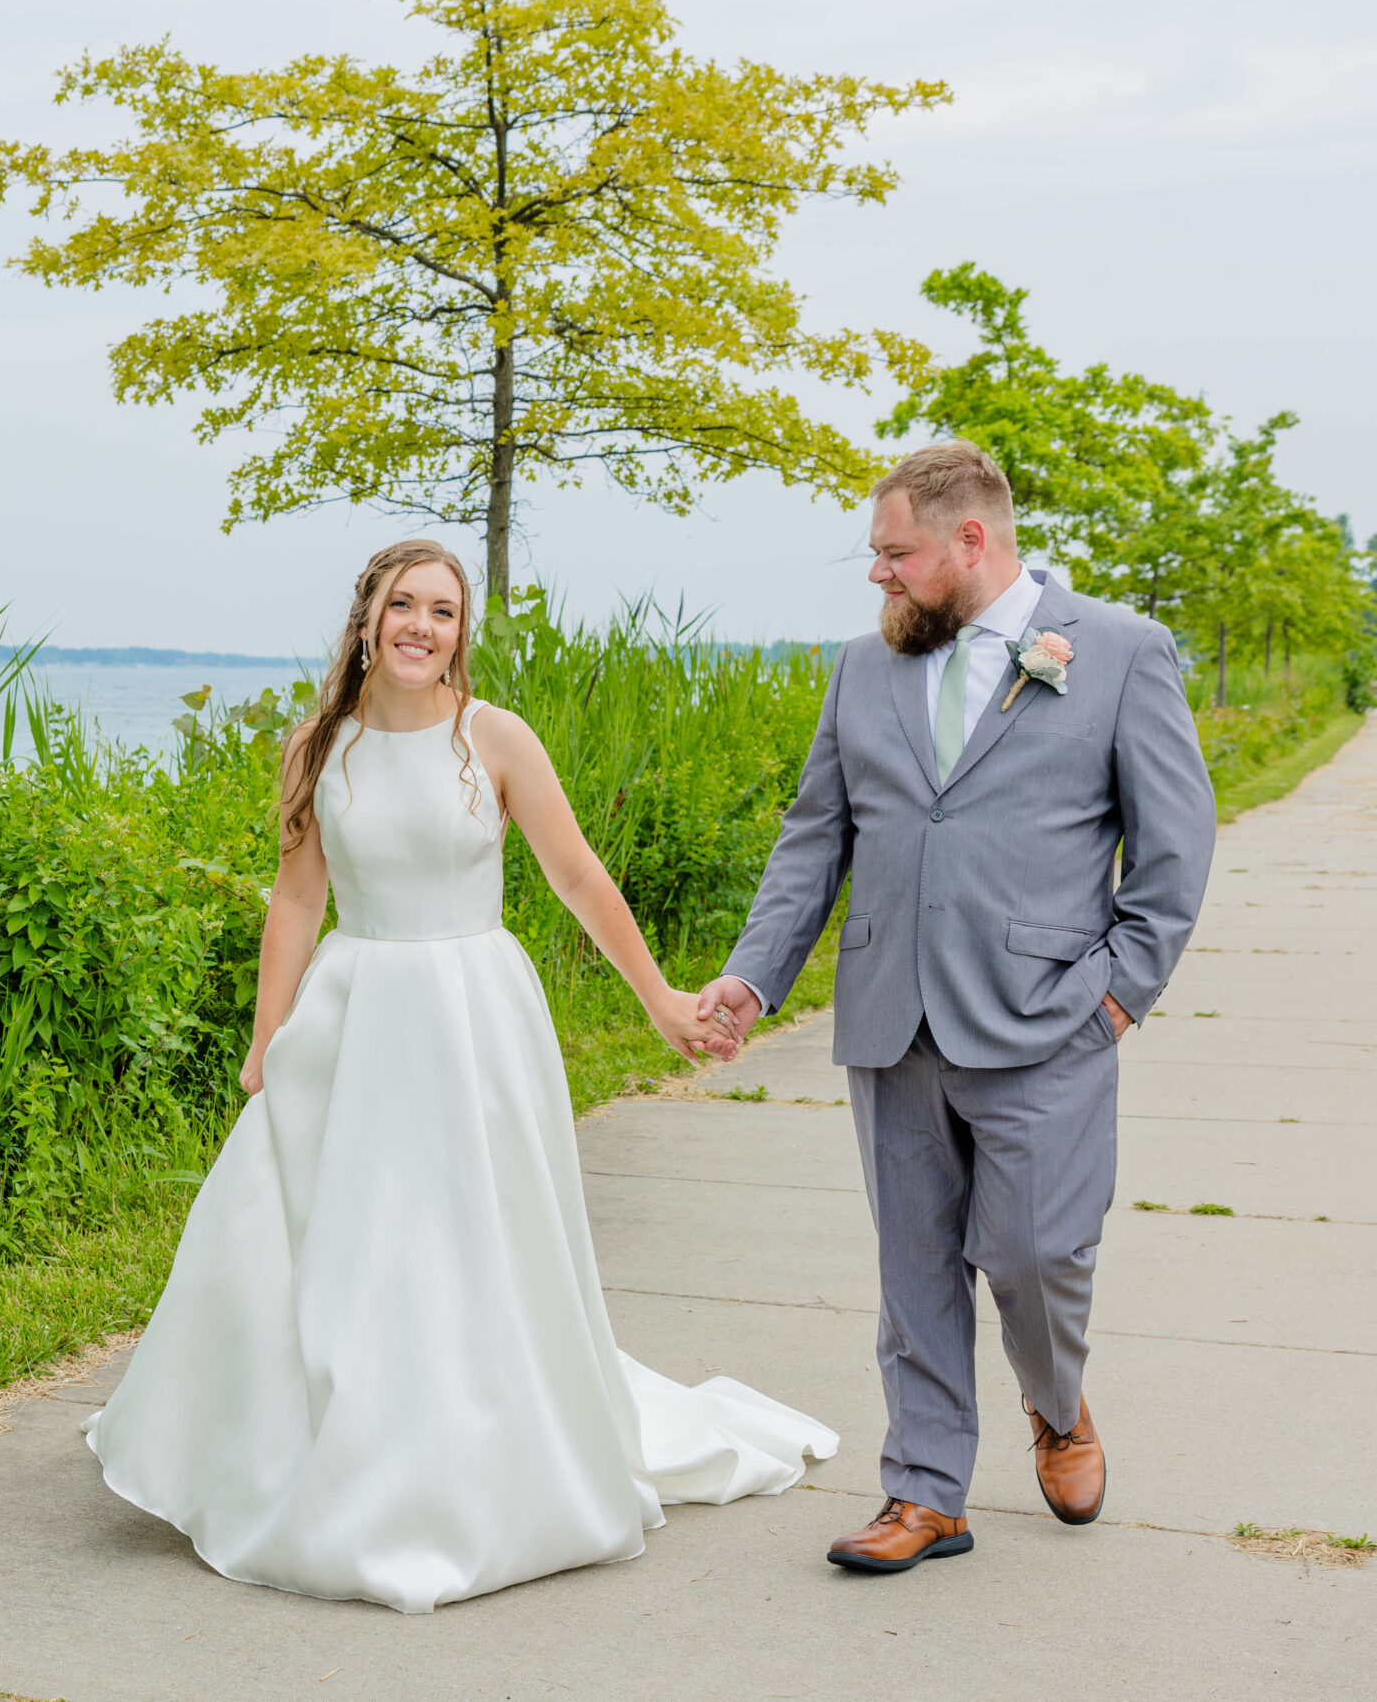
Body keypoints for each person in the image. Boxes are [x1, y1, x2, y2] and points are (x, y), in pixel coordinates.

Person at [79, 538, 836, 1615]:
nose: (421, 627)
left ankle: (474, 1449)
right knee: (321, 1234)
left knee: (463, 1236)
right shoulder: (319, 748)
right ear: (366, 620)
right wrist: (265, 1036)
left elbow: (574, 872)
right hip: (353, 1014)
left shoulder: (494, 739)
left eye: (442, 610)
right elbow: (297, 900)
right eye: (403, 605)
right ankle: (309, 1440)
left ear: (458, 632)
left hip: (471, 1013)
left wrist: (662, 1000)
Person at [697, 440, 1214, 1573]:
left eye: (894, 555)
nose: (876, 576)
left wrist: (1119, 996)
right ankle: (924, 1493)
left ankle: (1057, 1403)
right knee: (913, 1266)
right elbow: (813, 839)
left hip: (1049, 1018)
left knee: (1032, 1251)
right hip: (890, 1018)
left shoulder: (1120, 652)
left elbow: (1174, 849)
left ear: (969, 541)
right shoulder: (860, 666)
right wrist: (751, 974)